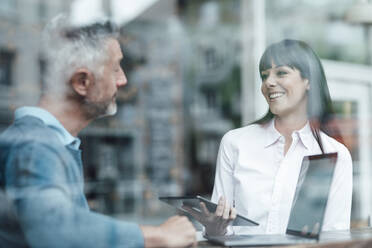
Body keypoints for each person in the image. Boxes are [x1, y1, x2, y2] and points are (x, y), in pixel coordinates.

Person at [0, 14, 196, 248]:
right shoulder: (33, 145)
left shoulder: (53, 142)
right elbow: (55, 231)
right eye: (115, 68)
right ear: (82, 82)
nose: (122, 80)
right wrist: (156, 236)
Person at [187, 39, 352, 236]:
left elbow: (336, 235)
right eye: (264, 76)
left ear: (308, 81)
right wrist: (214, 228)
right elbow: (218, 230)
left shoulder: (334, 153)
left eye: (281, 72)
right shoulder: (235, 143)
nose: (269, 82)